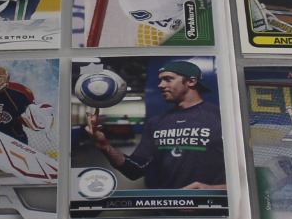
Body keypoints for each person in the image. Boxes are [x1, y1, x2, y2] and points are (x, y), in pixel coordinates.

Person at [84, 60, 224, 190]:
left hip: (210, 205)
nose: (160, 85)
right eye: (160, 80)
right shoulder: (156, 123)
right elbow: (134, 170)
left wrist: (214, 190)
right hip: (165, 204)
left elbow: (238, 170)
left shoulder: (221, 118)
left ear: (191, 81)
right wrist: (105, 146)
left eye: (168, 79)